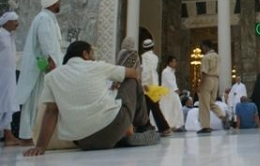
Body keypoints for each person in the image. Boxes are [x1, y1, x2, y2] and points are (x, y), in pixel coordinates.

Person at [23, 41, 159, 156]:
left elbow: (51, 112)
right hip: (113, 127)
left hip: (84, 142)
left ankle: (121, 138)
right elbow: (133, 73)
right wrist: (119, 80)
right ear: (85, 54)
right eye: (92, 53)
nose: (94, 57)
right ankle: (144, 127)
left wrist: (40, 146)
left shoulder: (52, 77)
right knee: (131, 79)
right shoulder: (97, 66)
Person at [15, 0, 63, 145]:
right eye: (58, 1)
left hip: (44, 66)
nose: (60, 4)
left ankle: (35, 134)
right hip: (41, 67)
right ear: (53, 3)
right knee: (34, 101)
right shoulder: (44, 19)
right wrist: (50, 63)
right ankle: (27, 136)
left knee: (41, 101)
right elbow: (45, 43)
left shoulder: (48, 18)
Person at [140, 38, 171, 136]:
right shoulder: (155, 57)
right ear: (152, 47)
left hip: (148, 85)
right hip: (155, 84)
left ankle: (163, 128)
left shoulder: (145, 57)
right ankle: (145, 126)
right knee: (150, 107)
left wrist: (144, 83)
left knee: (151, 107)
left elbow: (146, 71)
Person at [197, 39, 229, 133]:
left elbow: (204, 72)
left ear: (205, 46)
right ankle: (222, 116)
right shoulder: (217, 56)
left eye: (202, 46)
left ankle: (205, 126)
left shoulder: (206, 57)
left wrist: (200, 84)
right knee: (211, 102)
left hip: (207, 79)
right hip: (216, 80)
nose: (202, 49)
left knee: (204, 104)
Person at [0, 11, 20, 146]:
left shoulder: (9, 36)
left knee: (8, 103)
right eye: (14, 21)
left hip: (9, 76)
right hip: (1, 76)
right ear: (7, 22)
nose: (17, 23)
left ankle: (8, 135)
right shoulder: (0, 35)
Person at [160, 56, 184, 131]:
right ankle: (169, 125)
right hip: (168, 94)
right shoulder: (166, 71)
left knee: (175, 108)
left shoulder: (172, 71)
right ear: (170, 62)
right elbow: (170, 82)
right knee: (168, 109)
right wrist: (176, 89)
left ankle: (175, 125)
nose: (175, 63)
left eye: (176, 62)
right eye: (174, 61)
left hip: (172, 93)